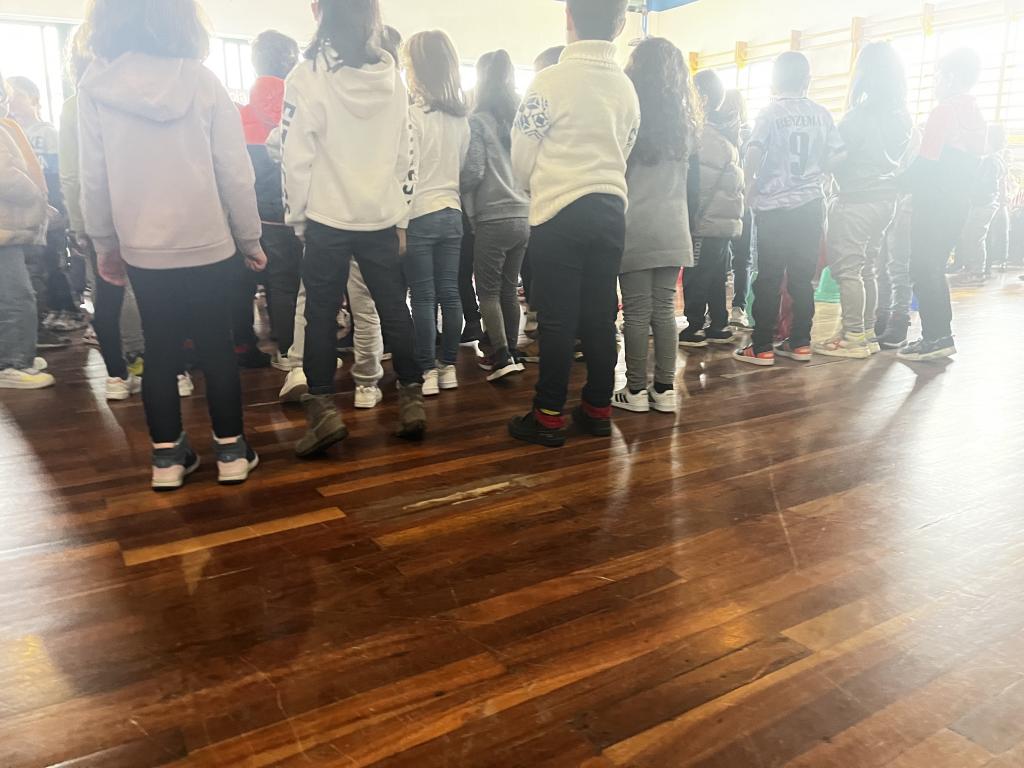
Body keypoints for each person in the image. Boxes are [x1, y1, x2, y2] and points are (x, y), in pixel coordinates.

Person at [80, 0, 266, 490]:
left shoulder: (96, 87)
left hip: (142, 246)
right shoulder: (203, 81)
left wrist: (104, 243)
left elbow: (93, 178)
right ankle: (231, 451)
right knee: (217, 346)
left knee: (160, 348)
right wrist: (250, 238)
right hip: (209, 242)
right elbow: (235, 171)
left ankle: (166, 458)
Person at [282, 0, 425, 456]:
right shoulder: (391, 76)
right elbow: (406, 152)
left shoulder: (306, 76)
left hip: (326, 216)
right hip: (380, 215)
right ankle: (412, 400)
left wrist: (297, 216)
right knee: (393, 308)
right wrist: (402, 214)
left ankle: (323, 410)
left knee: (321, 314)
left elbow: (295, 156)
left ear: (321, 10)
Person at [509, 0, 640, 447]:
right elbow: (626, 148)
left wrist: (535, 185)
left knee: (558, 319)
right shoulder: (625, 87)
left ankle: (548, 416)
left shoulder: (550, 81)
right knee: (601, 315)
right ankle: (598, 409)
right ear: (621, 23)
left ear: (568, 17)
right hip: (611, 209)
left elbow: (521, 153)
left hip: (559, 210)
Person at [735, 52, 844, 366]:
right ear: (807, 80)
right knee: (802, 279)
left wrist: (749, 185)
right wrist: (820, 171)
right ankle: (800, 343)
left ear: (774, 81)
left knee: (769, 277)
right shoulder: (822, 114)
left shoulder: (770, 113)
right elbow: (838, 155)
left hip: (774, 207)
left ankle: (762, 346)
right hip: (810, 206)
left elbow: (754, 150)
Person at [59, 26, 147, 402]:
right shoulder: (141, 95)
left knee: (108, 296)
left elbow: (71, 174)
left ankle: (116, 376)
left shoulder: (73, 105)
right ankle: (168, 369)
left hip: (99, 216)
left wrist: (79, 224)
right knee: (152, 292)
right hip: (146, 211)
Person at [612, 38, 700, 415]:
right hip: (674, 226)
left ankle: (634, 390)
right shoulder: (686, 127)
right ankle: (664, 389)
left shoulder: (628, 118)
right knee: (665, 310)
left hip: (635, 224)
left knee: (635, 311)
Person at [815, 42, 913, 359]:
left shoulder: (859, 117)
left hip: (855, 200)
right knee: (868, 268)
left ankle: (853, 335)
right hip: (886, 201)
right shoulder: (902, 116)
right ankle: (867, 332)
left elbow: (834, 157)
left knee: (848, 271)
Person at [898, 48, 986, 362]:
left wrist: (893, 183)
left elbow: (925, 163)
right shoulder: (976, 114)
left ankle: (935, 338)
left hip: (934, 203)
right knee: (933, 266)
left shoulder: (944, 111)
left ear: (950, 77)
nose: (935, 83)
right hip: (958, 204)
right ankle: (939, 335)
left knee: (923, 267)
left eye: (937, 76)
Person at [403, 30, 471, 396]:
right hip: (452, 212)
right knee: (451, 292)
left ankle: (427, 371)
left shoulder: (411, 117)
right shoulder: (461, 119)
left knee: (423, 297)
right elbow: (461, 166)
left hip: (419, 214)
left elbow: (406, 171)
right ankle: (449, 368)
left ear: (417, 68)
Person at [461, 49, 530, 381]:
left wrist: (457, 184)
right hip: (523, 215)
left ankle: (501, 356)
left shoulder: (478, 121)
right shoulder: (520, 120)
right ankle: (512, 350)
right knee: (508, 288)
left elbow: (474, 171)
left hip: (493, 216)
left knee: (487, 291)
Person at [239, 30, 301, 370]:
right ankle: (297, 348)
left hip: (259, 209)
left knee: (277, 279)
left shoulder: (243, 113)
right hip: (296, 204)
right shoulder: (297, 103)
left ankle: (286, 348)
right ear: (288, 60)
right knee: (295, 280)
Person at [6, 76, 83, 345]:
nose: (12, 101)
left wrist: (60, 206)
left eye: (17, 95)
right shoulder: (10, 130)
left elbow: (57, 173)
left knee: (54, 258)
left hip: (49, 203)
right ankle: (46, 314)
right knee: (35, 264)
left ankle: (68, 308)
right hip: (23, 211)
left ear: (34, 99)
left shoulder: (47, 132)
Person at [682, 68, 744, 350]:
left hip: (705, 220)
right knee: (717, 274)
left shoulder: (703, 135)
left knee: (696, 273)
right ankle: (719, 323)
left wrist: (690, 216)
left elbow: (700, 185)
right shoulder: (726, 131)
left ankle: (694, 325)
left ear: (700, 97)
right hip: (724, 221)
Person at [0, 72, 55, 390]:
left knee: (13, 294)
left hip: (7, 228)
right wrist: (36, 192)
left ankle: (15, 355)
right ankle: (13, 363)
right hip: (4, 229)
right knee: (16, 296)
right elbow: (5, 174)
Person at [518, 44, 567, 362]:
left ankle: (550, 346)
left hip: (551, 207)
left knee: (552, 283)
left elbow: (522, 159)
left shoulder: (546, 105)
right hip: (588, 207)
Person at [951, 123, 1006, 286]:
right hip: (985, 203)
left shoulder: (990, 160)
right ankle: (973, 269)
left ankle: (977, 272)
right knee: (973, 237)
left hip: (982, 204)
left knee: (975, 238)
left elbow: (985, 185)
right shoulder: (995, 159)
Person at [718, 89, 753, 329]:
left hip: (721, 203)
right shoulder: (751, 136)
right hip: (745, 202)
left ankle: (714, 309)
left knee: (719, 257)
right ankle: (739, 309)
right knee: (744, 259)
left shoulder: (717, 135)